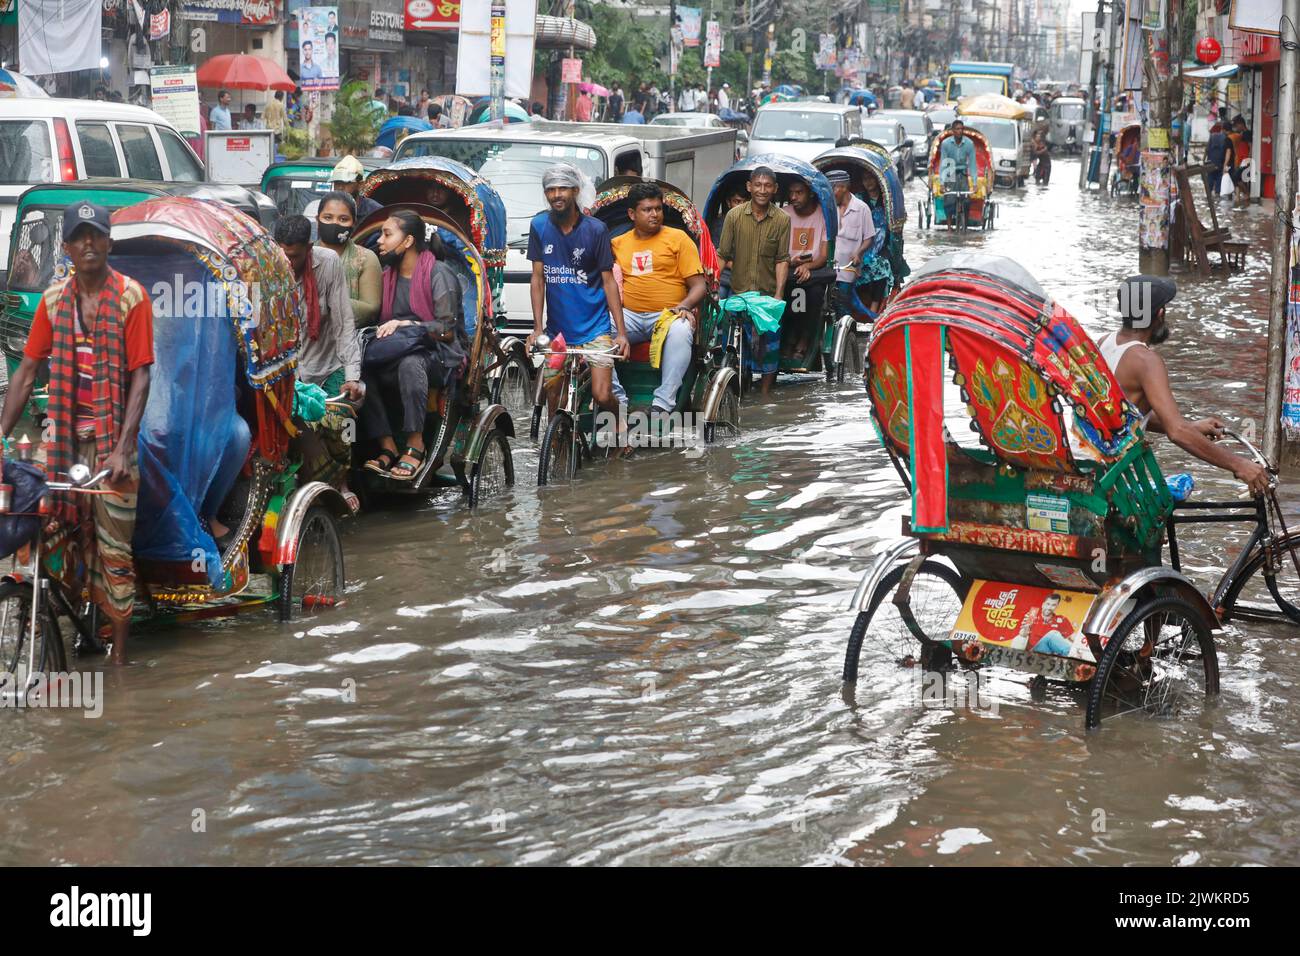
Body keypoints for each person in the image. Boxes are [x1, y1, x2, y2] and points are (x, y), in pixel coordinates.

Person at [0, 202, 153, 664]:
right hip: (63, 439)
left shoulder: (132, 297)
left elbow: (142, 376)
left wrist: (124, 450)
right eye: (79, 237)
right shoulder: (51, 301)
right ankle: (54, 618)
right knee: (39, 524)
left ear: (109, 242)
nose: (89, 243)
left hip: (113, 443)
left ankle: (120, 659)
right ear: (66, 247)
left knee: (115, 550)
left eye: (97, 235)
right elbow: (27, 373)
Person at [1100, 276, 1268, 497]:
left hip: (1095, 465)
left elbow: (1121, 415)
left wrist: (1192, 426)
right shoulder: (1146, 361)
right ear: (1160, 314)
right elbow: (1177, 432)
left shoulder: (1103, 343)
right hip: (1112, 474)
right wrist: (1239, 464)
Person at [360, 211, 468, 480]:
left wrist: (408, 325)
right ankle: (387, 446)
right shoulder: (385, 276)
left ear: (407, 241)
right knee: (359, 371)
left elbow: (446, 330)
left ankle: (415, 444)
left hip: (437, 354)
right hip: (395, 349)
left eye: (387, 235)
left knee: (411, 364)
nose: (380, 242)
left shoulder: (438, 274)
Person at [274, 215, 364, 510]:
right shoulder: (268, 268)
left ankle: (344, 481)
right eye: (283, 254)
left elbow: (343, 322)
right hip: (290, 369)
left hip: (328, 364)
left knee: (345, 422)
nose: (288, 262)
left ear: (308, 248)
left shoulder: (328, 263)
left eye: (295, 256)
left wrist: (352, 374)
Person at [526, 163, 629, 423]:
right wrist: (537, 328)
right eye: (551, 190)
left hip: (595, 329)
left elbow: (608, 282)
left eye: (562, 188)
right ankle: (558, 447)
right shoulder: (539, 226)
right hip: (557, 332)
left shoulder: (595, 230)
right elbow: (538, 279)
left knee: (602, 395)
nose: (556, 195)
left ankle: (620, 426)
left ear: (575, 190)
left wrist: (621, 332)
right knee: (554, 397)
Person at [610, 182, 707, 415]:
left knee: (681, 329)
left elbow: (699, 286)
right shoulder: (618, 243)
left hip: (667, 316)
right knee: (597, 333)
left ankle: (663, 403)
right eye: (647, 209)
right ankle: (617, 400)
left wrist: (682, 307)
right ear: (632, 214)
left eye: (658, 208)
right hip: (629, 316)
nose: (654, 214)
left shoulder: (679, 239)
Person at [718, 166, 790, 395]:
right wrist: (711, 286)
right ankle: (741, 388)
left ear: (775, 189)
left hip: (766, 296)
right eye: (757, 185)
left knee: (770, 347)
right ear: (749, 187)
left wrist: (778, 295)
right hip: (739, 293)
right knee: (736, 346)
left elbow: (782, 260)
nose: (762, 190)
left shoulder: (782, 220)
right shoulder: (734, 216)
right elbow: (723, 255)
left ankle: (766, 395)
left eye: (767, 185)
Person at [315, 191, 382, 328]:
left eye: (343, 219)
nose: (335, 223)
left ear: (353, 224)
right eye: (328, 217)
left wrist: (323, 303)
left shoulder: (365, 258)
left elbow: (371, 308)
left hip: (350, 339)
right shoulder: (304, 256)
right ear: (317, 220)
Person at [781, 176, 829, 360]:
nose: (794, 197)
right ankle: (787, 338)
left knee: (815, 296)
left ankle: (805, 339)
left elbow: (823, 255)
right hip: (787, 268)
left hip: (814, 271)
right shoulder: (784, 214)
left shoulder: (822, 216)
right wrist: (791, 262)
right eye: (791, 193)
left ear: (809, 193)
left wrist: (807, 265)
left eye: (799, 192)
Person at [827, 169, 875, 319]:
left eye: (832, 189)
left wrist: (859, 253)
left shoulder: (862, 209)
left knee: (842, 303)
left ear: (843, 188)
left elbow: (869, 238)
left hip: (848, 268)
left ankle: (845, 334)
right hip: (828, 267)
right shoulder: (828, 208)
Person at [939, 120, 977, 227]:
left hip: (963, 173)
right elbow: (943, 163)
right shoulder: (946, 144)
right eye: (957, 129)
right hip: (950, 172)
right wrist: (942, 184)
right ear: (953, 131)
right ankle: (950, 227)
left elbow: (973, 164)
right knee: (949, 201)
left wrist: (974, 183)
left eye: (961, 129)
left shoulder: (969, 144)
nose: (960, 131)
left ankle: (964, 225)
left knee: (966, 201)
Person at [329, 155, 382, 221]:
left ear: (360, 185)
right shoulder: (328, 208)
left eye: (346, 183)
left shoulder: (374, 212)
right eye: (337, 182)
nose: (340, 187)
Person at [1204, 122, 1232, 201]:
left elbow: (1206, 150)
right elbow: (1228, 153)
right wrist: (1225, 165)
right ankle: (1217, 199)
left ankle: (1208, 199)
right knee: (1218, 187)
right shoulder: (1226, 139)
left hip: (1210, 164)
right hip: (1220, 164)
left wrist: (1203, 161)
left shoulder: (1212, 136)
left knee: (1209, 184)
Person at [1229, 115, 1251, 207]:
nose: (1236, 128)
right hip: (1242, 160)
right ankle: (1245, 195)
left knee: (1235, 177)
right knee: (1238, 178)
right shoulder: (1242, 134)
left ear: (1241, 124)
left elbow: (1250, 146)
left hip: (1246, 160)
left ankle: (1246, 193)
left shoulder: (1247, 134)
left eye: (1237, 125)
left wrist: (1249, 159)